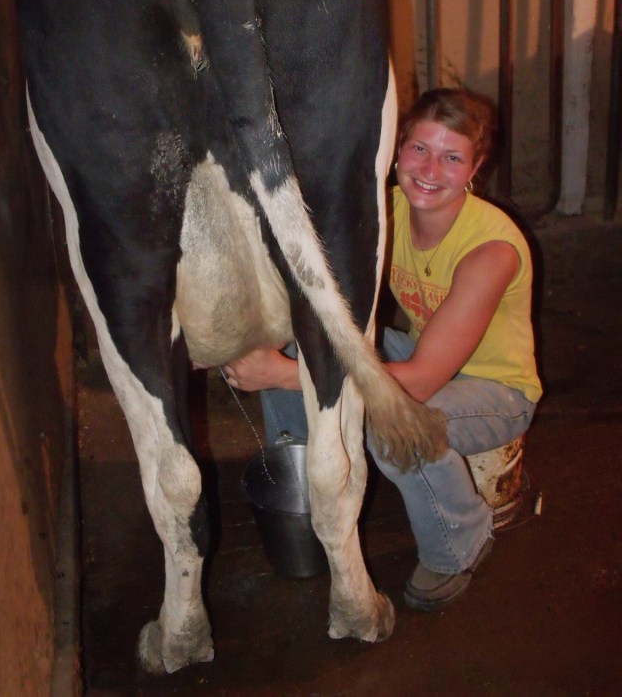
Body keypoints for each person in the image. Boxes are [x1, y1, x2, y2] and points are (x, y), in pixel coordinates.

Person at [221, 87, 542, 611]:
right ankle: (309, 473)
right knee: (299, 337)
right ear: (397, 150)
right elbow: (304, 285)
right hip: (422, 352)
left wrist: (283, 375)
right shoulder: (384, 210)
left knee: (391, 421)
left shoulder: (491, 250)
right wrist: (241, 332)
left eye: (452, 156)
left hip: (496, 391)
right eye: (419, 149)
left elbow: (419, 382)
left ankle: (461, 540)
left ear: (474, 167)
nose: (430, 168)